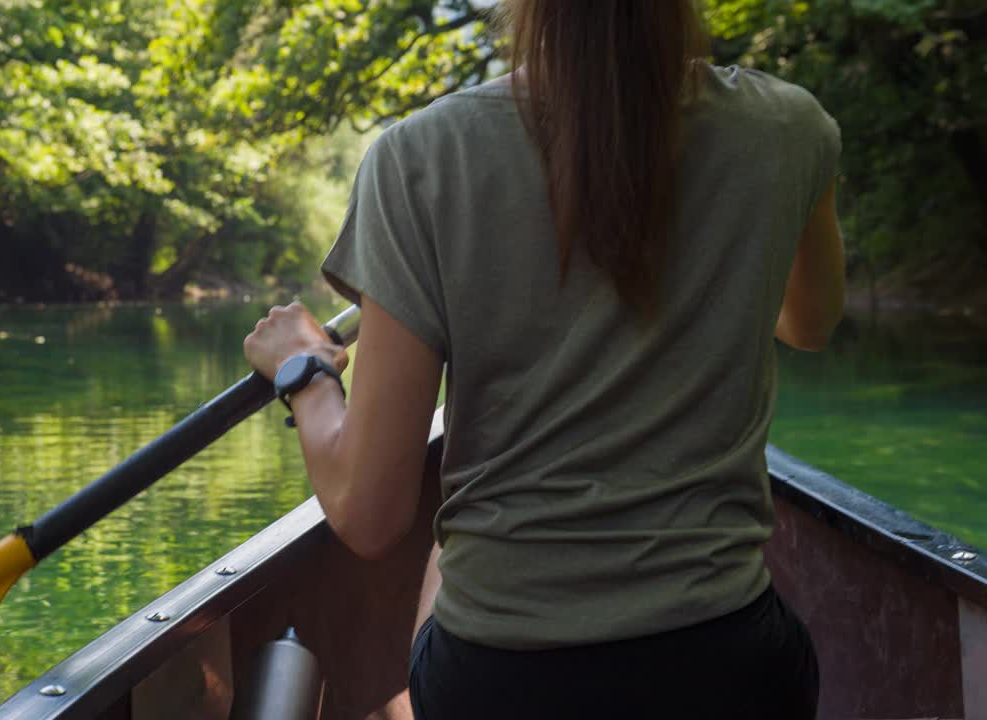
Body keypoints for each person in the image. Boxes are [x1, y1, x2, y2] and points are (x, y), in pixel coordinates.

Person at [242, 1, 844, 717]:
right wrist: (726, 243)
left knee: (450, 552)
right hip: (728, 669)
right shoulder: (788, 129)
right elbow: (809, 323)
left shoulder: (421, 158)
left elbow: (368, 515)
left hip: (503, 683)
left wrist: (304, 371)